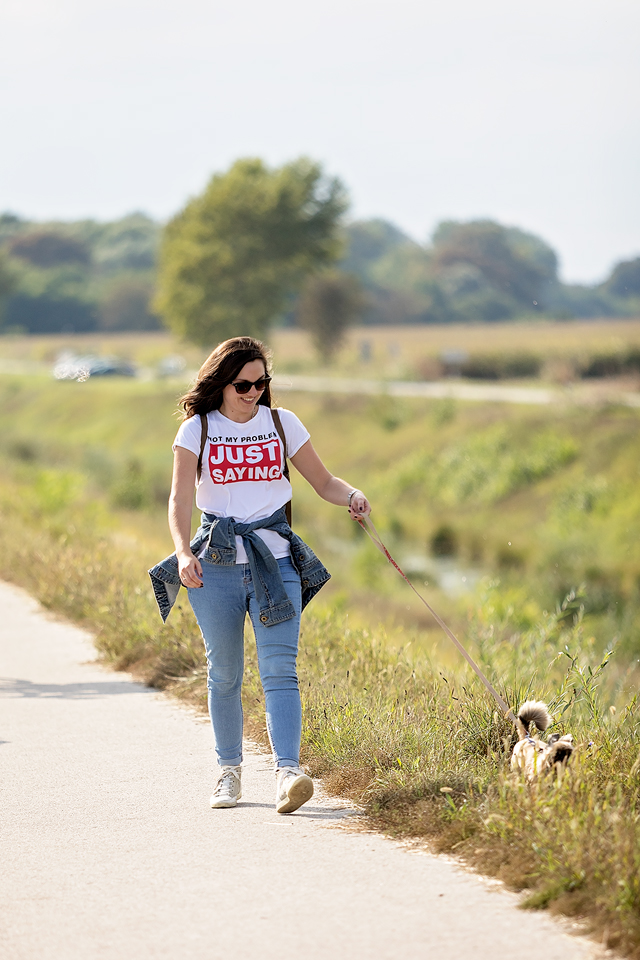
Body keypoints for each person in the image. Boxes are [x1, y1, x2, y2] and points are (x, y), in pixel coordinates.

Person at [150, 336, 370, 814]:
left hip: (277, 565)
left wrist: (351, 494)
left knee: (279, 671)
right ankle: (228, 773)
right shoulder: (198, 429)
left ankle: (288, 772)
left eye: (262, 382)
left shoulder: (281, 423)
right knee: (225, 673)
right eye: (244, 384)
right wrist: (182, 552)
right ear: (222, 383)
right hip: (216, 568)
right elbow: (180, 499)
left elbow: (324, 482)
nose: (254, 392)